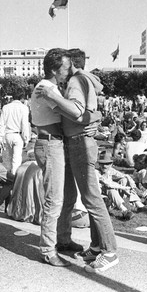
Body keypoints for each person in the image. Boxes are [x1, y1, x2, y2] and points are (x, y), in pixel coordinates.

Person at [35, 48, 118, 273]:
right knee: (77, 196)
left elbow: (78, 112)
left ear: (71, 64)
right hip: (74, 142)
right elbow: (83, 113)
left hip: (79, 142)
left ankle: (109, 251)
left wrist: (55, 97)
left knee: (91, 198)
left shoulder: (75, 82)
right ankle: (96, 246)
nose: (64, 71)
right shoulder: (82, 80)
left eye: (65, 66)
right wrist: (95, 118)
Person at [30, 48, 87, 267]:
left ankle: (63, 239)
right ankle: (47, 249)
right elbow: (74, 112)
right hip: (50, 144)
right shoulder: (47, 88)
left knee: (67, 197)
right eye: (65, 67)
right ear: (54, 69)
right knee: (54, 199)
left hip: (56, 143)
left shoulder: (51, 86)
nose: (69, 71)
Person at [96, 151, 143, 220]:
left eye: (107, 164)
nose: (104, 166)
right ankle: (124, 210)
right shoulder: (96, 172)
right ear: (99, 164)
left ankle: (138, 204)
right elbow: (108, 184)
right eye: (102, 164)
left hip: (111, 199)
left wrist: (132, 184)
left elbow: (124, 175)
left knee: (124, 179)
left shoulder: (110, 170)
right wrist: (124, 188)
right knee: (111, 190)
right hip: (101, 198)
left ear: (111, 164)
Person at [0, 89, 31, 178]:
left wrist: (0, 136)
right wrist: (26, 138)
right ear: (22, 98)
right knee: (16, 159)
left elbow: (1, 123)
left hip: (8, 134)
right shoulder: (24, 108)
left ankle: (12, 175)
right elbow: (24, 124)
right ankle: (15, 177)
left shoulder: (6, 107)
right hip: (18, 135)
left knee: (11, 157)